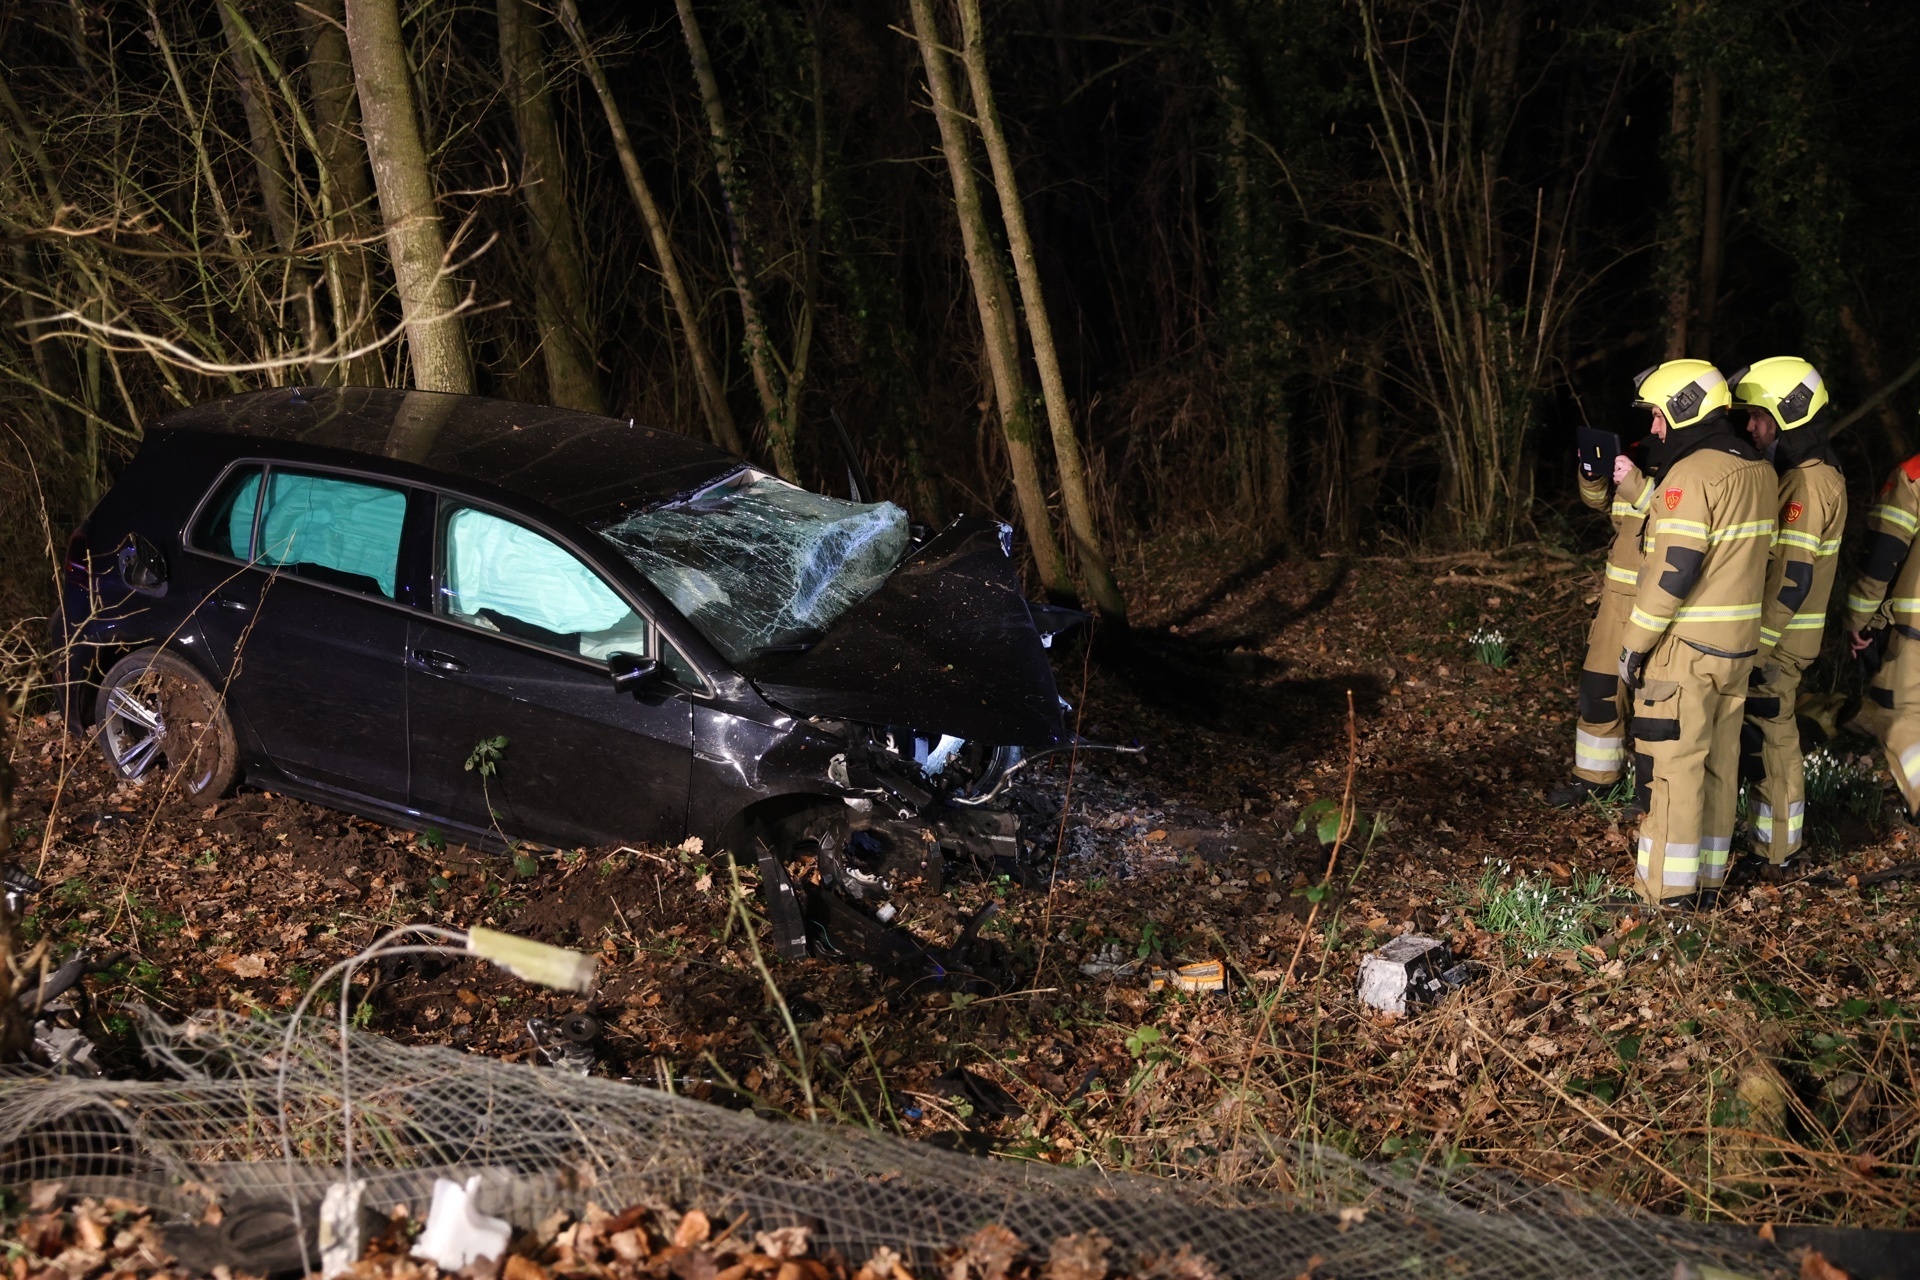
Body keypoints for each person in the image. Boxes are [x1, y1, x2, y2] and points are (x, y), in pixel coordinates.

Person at [1616, 359, 1775, 908]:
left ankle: (1665, 893)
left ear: (1684, 409)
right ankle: (1705, 884)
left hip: (1685, 652)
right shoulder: (1757, 469)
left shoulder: (1692, 475)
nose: (1655, 429)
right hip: (1737, 648)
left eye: (1659, 416)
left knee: (1672, 770)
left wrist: (1634, 644)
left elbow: (1673, 571)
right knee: (1718, 766)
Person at [1729, 359, 1846, 872]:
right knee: (1768, 739)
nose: (1750, 426)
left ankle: (1777, 852)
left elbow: (1793, 580)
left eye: (1757, 415)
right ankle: (1774, 845)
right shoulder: (1810, 473)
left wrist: (1758, 648)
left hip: (1780, 643)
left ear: (1787, 413)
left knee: (1773, 742)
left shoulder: (1807, 483)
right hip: (1783, 638)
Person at [1548, 444, 1655, 807]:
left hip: (1663, 601)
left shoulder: (1699, 461)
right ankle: (1594, 782)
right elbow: (1603, 502)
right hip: (1616, 600)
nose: (1654, 425)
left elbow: (1682, 517)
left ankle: (1651, 794)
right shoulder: (1644, 450)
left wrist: (1639, 485)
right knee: (1599, 692)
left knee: (1656, 705)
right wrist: (1592, 475)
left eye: (1658, 414)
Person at [1842, 443, 1920, 820]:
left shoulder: (1914, 473)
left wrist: (1859, 618)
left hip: (1916, 632)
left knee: (1900, 716)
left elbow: (1883, 551)